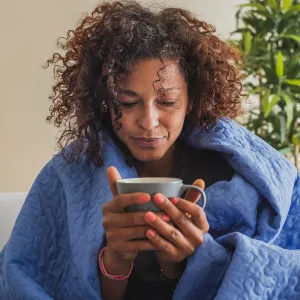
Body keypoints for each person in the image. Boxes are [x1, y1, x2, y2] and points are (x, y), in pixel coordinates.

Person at [0, 1, 299, 299]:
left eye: (167, 102)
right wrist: (115, 258)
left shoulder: (237, 174)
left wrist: (190, 262)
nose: (148, 122)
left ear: (191, 100)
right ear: (105, 101)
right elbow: (26, 277)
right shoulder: (71, 173)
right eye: (128, 103)